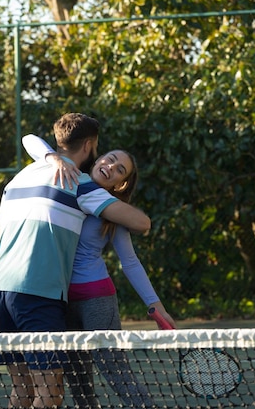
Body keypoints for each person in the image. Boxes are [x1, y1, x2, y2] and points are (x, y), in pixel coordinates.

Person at [0, 113, 152, 409]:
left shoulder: (19, 177)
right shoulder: (81, 183)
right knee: (50, 393)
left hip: (0, 290)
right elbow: (142, 223)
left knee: (22, 390)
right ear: (90, 145)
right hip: (39, 293)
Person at [22, 133, 176, 408]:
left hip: (97, 299)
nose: (111, 167)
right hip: (59, 299)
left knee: (114, 370)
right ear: (98, 156)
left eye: (120, 170)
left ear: (122, 183)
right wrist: (54, 157)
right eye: (111, 159)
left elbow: (129, 261)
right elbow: (30, 140)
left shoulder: (112, 211)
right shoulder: (65, 180)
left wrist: (156, 305)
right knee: (78, 380)